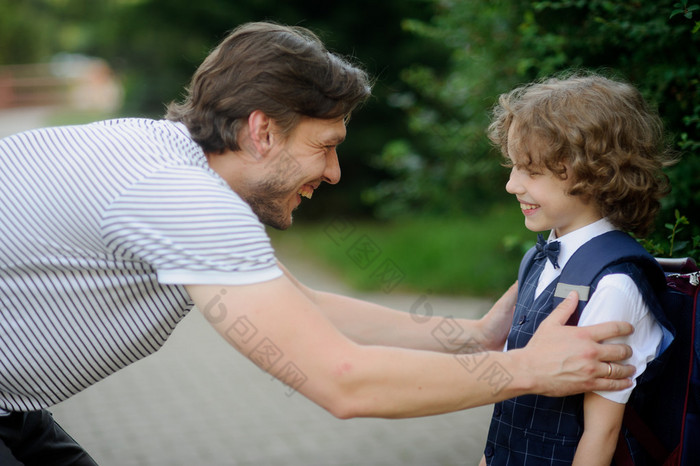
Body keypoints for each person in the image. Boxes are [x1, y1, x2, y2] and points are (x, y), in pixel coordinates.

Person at [0, 22, 636, 465]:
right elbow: (343, 383)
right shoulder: (185, 201)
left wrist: (473, 335)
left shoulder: (160, 157)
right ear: (261, 132)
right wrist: (530, 369)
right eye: (325, 146)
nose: (333, 173)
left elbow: (299, 308)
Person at [480, 72, 677, 465]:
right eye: (513, 166)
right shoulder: (539, 258)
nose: (511, 185)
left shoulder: (615, 284)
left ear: (594, 173)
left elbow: (601, 436)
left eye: (531, 171)